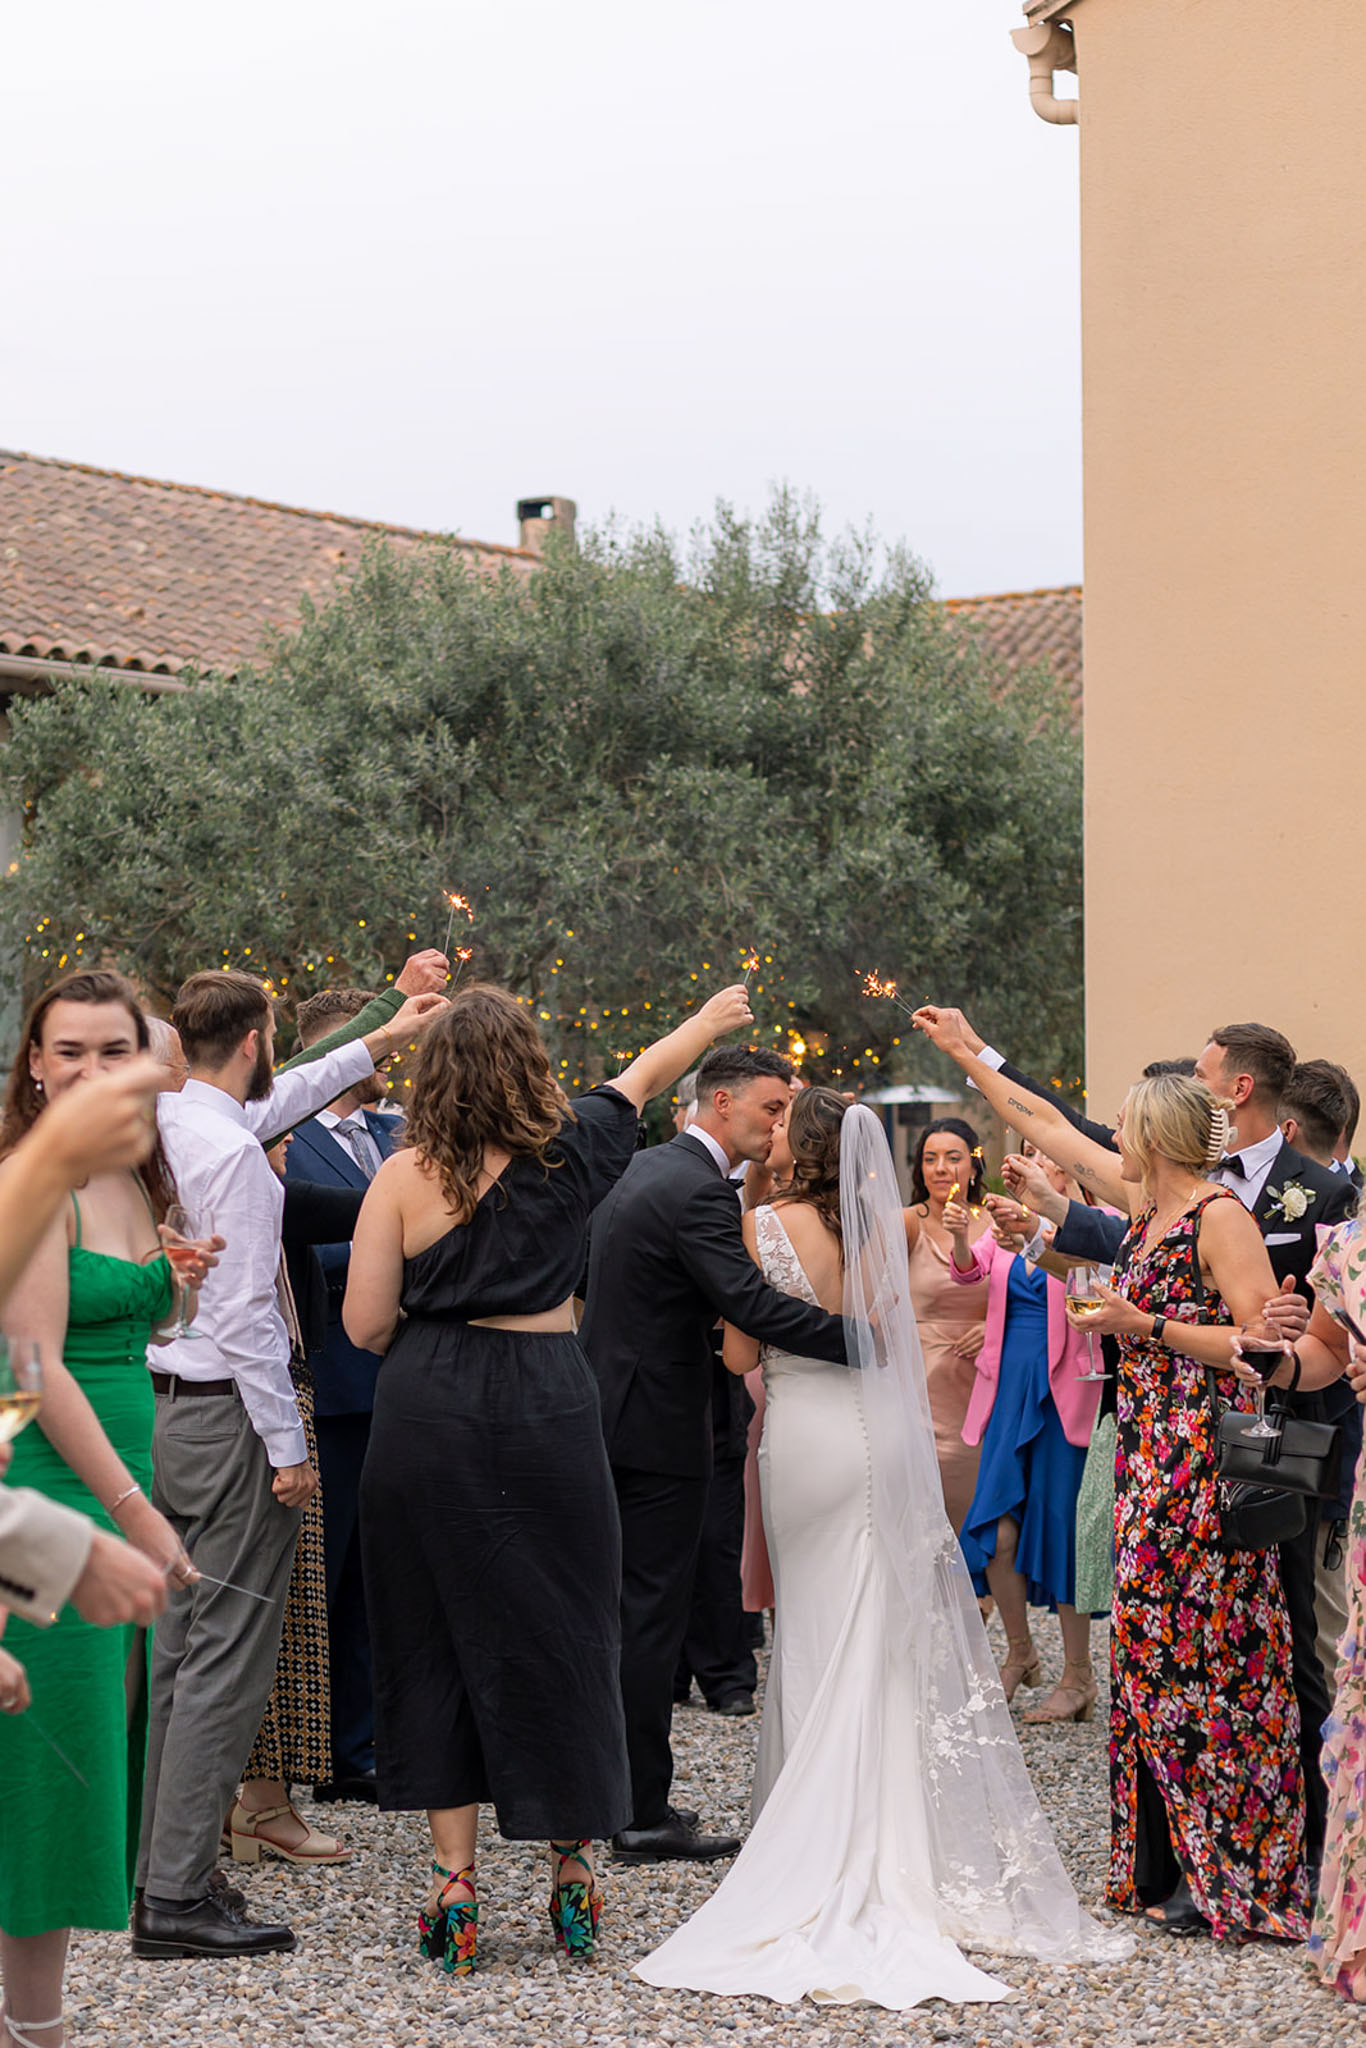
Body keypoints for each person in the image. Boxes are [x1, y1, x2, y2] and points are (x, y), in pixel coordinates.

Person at [637, 1094, 1130, 2008]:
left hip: (804, 1440)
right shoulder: (878, 1233)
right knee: (878, 1624)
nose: (774, 1131)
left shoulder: (760, 1225)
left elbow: (743, 1356)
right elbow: (887, 1338)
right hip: (871, 1432)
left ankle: (805, 1831)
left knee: (813, 1627)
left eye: (786, 1123)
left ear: (805, 1146)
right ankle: (890, 1838)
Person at [346, 983, 756, 1972]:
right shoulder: (570, 1153)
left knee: (433, 1628)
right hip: (545, 1399)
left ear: (431, 1075)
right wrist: (705, 1021)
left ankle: (454, 1887)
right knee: (567, 1623)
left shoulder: (401, 1175)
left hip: (427, 1405)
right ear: (530, 1068)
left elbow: (363, 1324)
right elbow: (644, 1073)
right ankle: (574, 1871)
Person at [916, 1005, 1347, 1882]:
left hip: (1206, 1456)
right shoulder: (1149, 1206)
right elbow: (1046, 1125)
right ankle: (1162, 1863)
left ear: (1159, 1134)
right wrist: (968, 1054)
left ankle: (1234, 1862)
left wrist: (1139, 1322)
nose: (1111, 1132)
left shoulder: (1221, 1215)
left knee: (1214, 1657)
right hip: (1149, 1456)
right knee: (1150, 1657)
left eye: (1126, 1122)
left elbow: (1261, 1348)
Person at [132, 965, 449, 1961]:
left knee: (180, 1654)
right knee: (225, 1663)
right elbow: (246, 1318)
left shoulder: (179, 1117)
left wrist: (387, 1033)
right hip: (229, 1416)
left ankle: (161, 1867)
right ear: (258, 1036)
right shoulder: (232, 1151)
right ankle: (177, 1893)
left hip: (161, 1410)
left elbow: (296, 1088)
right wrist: (288, 1449)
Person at [580, 1045, 855, 1867]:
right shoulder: (698, 1187)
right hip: (658, 1427)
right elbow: (748, 1303)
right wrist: (868, 1343)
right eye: (771, 1109)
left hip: (616, 1408)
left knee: (628, 1611)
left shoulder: (648, 1167)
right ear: (722, 1101)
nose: (780, 1125)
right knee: (649, 1616)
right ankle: (639, 1812)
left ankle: (619, 1796)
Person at [0, 974, 204, 2048]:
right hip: (49, 1488)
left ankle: (34, 2013)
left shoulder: (128, 1173)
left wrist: (180, 1284)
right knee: (44, 1763)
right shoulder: (32, 1188)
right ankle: (35, 2026)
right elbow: (32, 1367)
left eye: (108, 1050)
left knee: (86, 1754)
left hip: (128, 1469)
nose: (85, 1070)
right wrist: (136, 1514)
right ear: (33, 1061)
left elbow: (143, 1331)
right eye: (65, 1050)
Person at [285, 988, 399, 1804]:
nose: (389, 1058)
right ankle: (312, 1751)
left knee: (376, 1578)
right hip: (331, 1388)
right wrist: (375, 1250)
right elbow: (289, 1245)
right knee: (322, 1577)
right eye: (375, 1045)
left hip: (403, 1385)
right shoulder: (286, 1144)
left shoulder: (398, 1136)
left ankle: (362, 1747)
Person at [946, 1147, 1104, 1719]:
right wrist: (964, 1237)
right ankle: (1020, 1653)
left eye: (1045, 1154)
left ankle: (1079, 1675)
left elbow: (1101, 1283)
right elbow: (969, 1272)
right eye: (1030, 1152)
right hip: (1009, 1387)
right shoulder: (1005, 1220)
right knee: (995, 1524)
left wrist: (1042, 1233)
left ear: (1070, 1168)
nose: (1033, 1160)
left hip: (1069, 1390)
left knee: (1062, 1525)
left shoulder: (1100, 1221)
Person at [903, 1119, 992, 1533]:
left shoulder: (997, 1223)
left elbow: (1027, 1296)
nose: (940, 1168)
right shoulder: (904, 1223)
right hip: (922, 1381)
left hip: (986, 1377)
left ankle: (982, 1594)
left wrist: (996, 1328)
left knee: (983, 1496)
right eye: (930, 1159)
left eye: (952, 1158)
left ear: (974, 1166)